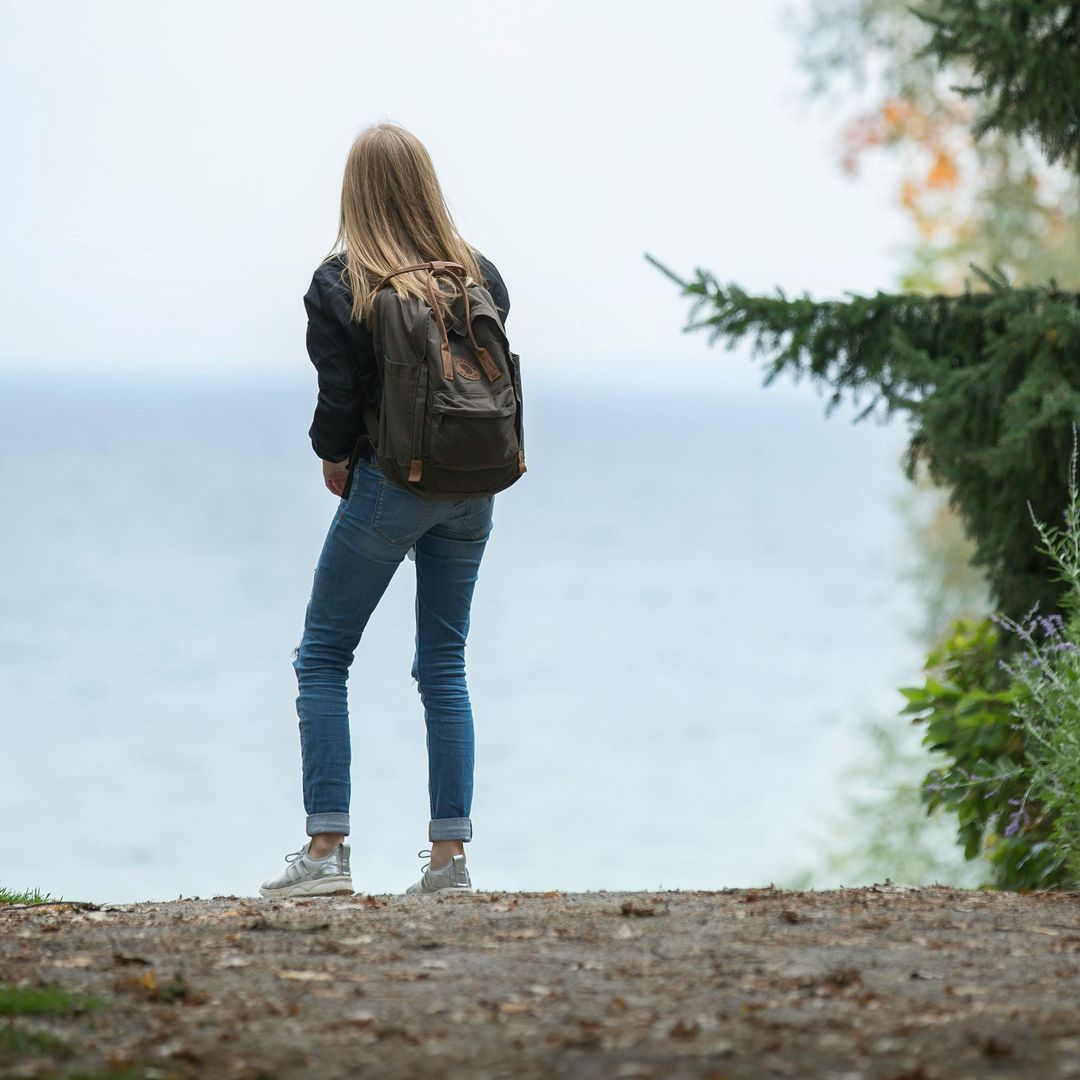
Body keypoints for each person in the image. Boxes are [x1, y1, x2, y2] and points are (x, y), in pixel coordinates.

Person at [259, 122, 511, 899]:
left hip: (390, 488)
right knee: (444, 663)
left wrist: (332, 456)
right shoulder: (482, 274)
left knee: (324, 655)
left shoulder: (344, 282)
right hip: (472, 490)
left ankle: (327, 852)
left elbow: (341, 397)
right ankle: (449, 863)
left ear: (354, 192)